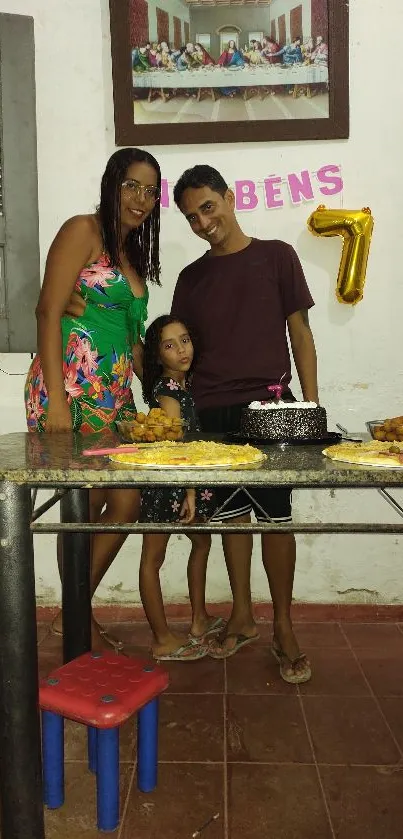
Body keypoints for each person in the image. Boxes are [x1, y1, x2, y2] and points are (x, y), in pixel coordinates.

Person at [171, 165, 317, 683]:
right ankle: (242, 615)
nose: (203, 222)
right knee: (232, 518)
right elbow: (179, 357)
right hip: (211, 413)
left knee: (278, 521)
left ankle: (283, 625)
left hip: (273, 408)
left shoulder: (277, 255)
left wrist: (311, 412)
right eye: (191, 216)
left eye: (208, 207)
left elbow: (300, 334)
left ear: (229, 198)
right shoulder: (191, 279)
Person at [25, 147, 162, 650]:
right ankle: (74, 618)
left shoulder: (131, 253)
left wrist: (167, 386)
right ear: (111, 184)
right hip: (72, 388)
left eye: (150, 191)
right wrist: (57, 399)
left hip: (115, 397)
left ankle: (72, 613)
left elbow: (131, 339)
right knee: (86, 503)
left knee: (126, 499)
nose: (141, 199)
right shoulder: (82, 230)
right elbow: (46, 311)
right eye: (131, 185)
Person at [139, 315, 223, 660]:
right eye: (169, 345)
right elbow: (174, 443)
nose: (181, 349)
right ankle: (161, 638)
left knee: (202, 541)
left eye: (185, 340)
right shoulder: (169, 391)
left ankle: (199, 618)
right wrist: (189, 490)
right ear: (158, 356)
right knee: (152, 558)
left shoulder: (184, 386)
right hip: (168, 483)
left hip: (185, 481)